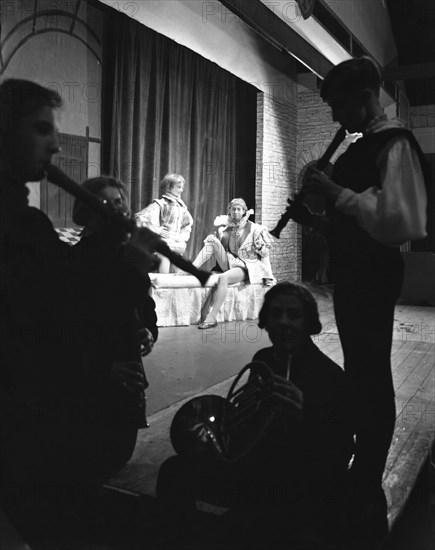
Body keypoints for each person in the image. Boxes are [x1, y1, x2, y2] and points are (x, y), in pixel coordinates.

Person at [0, 79, 159, 541]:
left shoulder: (20, 215)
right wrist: (127, 264)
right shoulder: (16, 222)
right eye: (40, 129)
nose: (54, 145)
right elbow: (48, 318)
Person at [290, 56, 428, 542]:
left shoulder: (396, 143)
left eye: (337, 105)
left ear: (365, 96)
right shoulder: (366, 145)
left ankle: (367, 477)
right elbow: (354, 229)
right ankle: (358, 467)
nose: (333, 118)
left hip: (373, 277)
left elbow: (403, 223)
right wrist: (317, 221)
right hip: (355, 272)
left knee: (371, 374)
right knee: (362, 370)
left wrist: (334, 191)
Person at [157, 282, 354, 549]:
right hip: (254, 469)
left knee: (258, 517)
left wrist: (305, 415)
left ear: (309, 323)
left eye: (293, 315)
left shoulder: (330, 376)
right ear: (266, 321)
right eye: (276, 314)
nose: (283, 322)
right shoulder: (264, 358)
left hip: (295, 480)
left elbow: (339, 454)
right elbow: (246, 422)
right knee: (174, 472)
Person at [72, 175, 159, 428]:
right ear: (87, 212)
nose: (117, 209)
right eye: (105, 203)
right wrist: (103, 370)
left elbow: (145, 309)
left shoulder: (129, 256)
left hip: (129, 374)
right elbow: (69, 329)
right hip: (93, 382)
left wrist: (149, 332)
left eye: (119, 202)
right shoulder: (76, 260)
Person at [192, 198, 275, 329]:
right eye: (233, 209)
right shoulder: (224, 230)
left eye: (239, 209)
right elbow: (218, 250)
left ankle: (211, 317)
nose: (236, 212)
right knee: (212, 241)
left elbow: (265, 255)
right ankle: (191, 268)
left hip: (246, 266)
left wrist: (268, 276)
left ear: (244, 211)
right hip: (229, 262)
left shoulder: (255, 229)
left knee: (222, 278)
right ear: (229, 211)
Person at [135, 173, 193, 273]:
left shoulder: (181, 207)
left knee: (180, 269)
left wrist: (180, 237)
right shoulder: (161, 204)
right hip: (163, 243)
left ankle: (177, 286)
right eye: (178, 187)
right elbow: (140, 218)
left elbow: (187, 224)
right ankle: (162, 285)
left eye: (182, 187)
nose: (181, 190)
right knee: (164, 256)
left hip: (176, 243)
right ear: (168, 188)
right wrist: (158, 231)